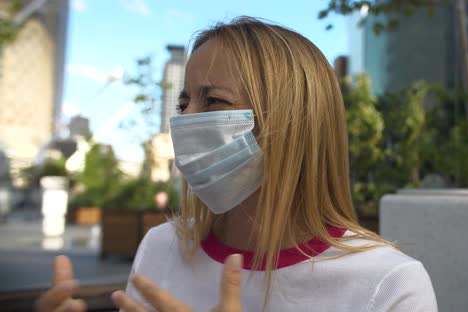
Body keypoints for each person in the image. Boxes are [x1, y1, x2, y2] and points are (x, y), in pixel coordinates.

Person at [36, 17, 438, 312]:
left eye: (213, 101)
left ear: (293, 123)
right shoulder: (161, 248)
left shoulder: (389, 286)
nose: (184, 121)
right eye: (183, 103)